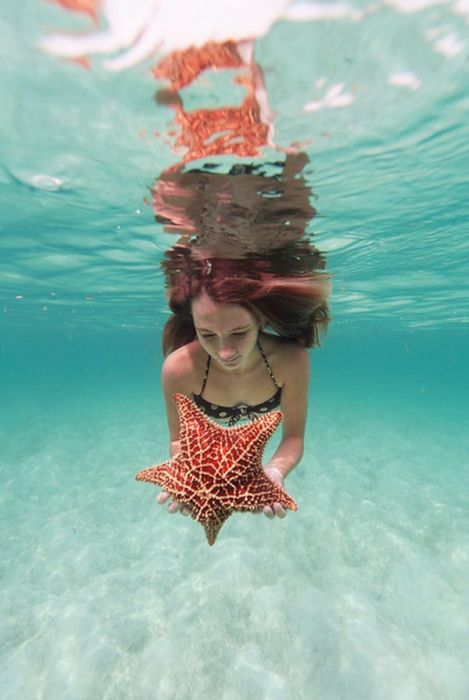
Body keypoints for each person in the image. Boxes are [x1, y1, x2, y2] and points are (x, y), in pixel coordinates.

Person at [157, 248, 330, 519]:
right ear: (194, 323)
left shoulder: (291, 360)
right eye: (207, 334)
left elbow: (294, 437)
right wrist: (186, 472)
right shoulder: (179, 369)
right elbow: (179, 441)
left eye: (239, 333)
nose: (225, 351)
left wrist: (274, 471)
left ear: (260, 319)